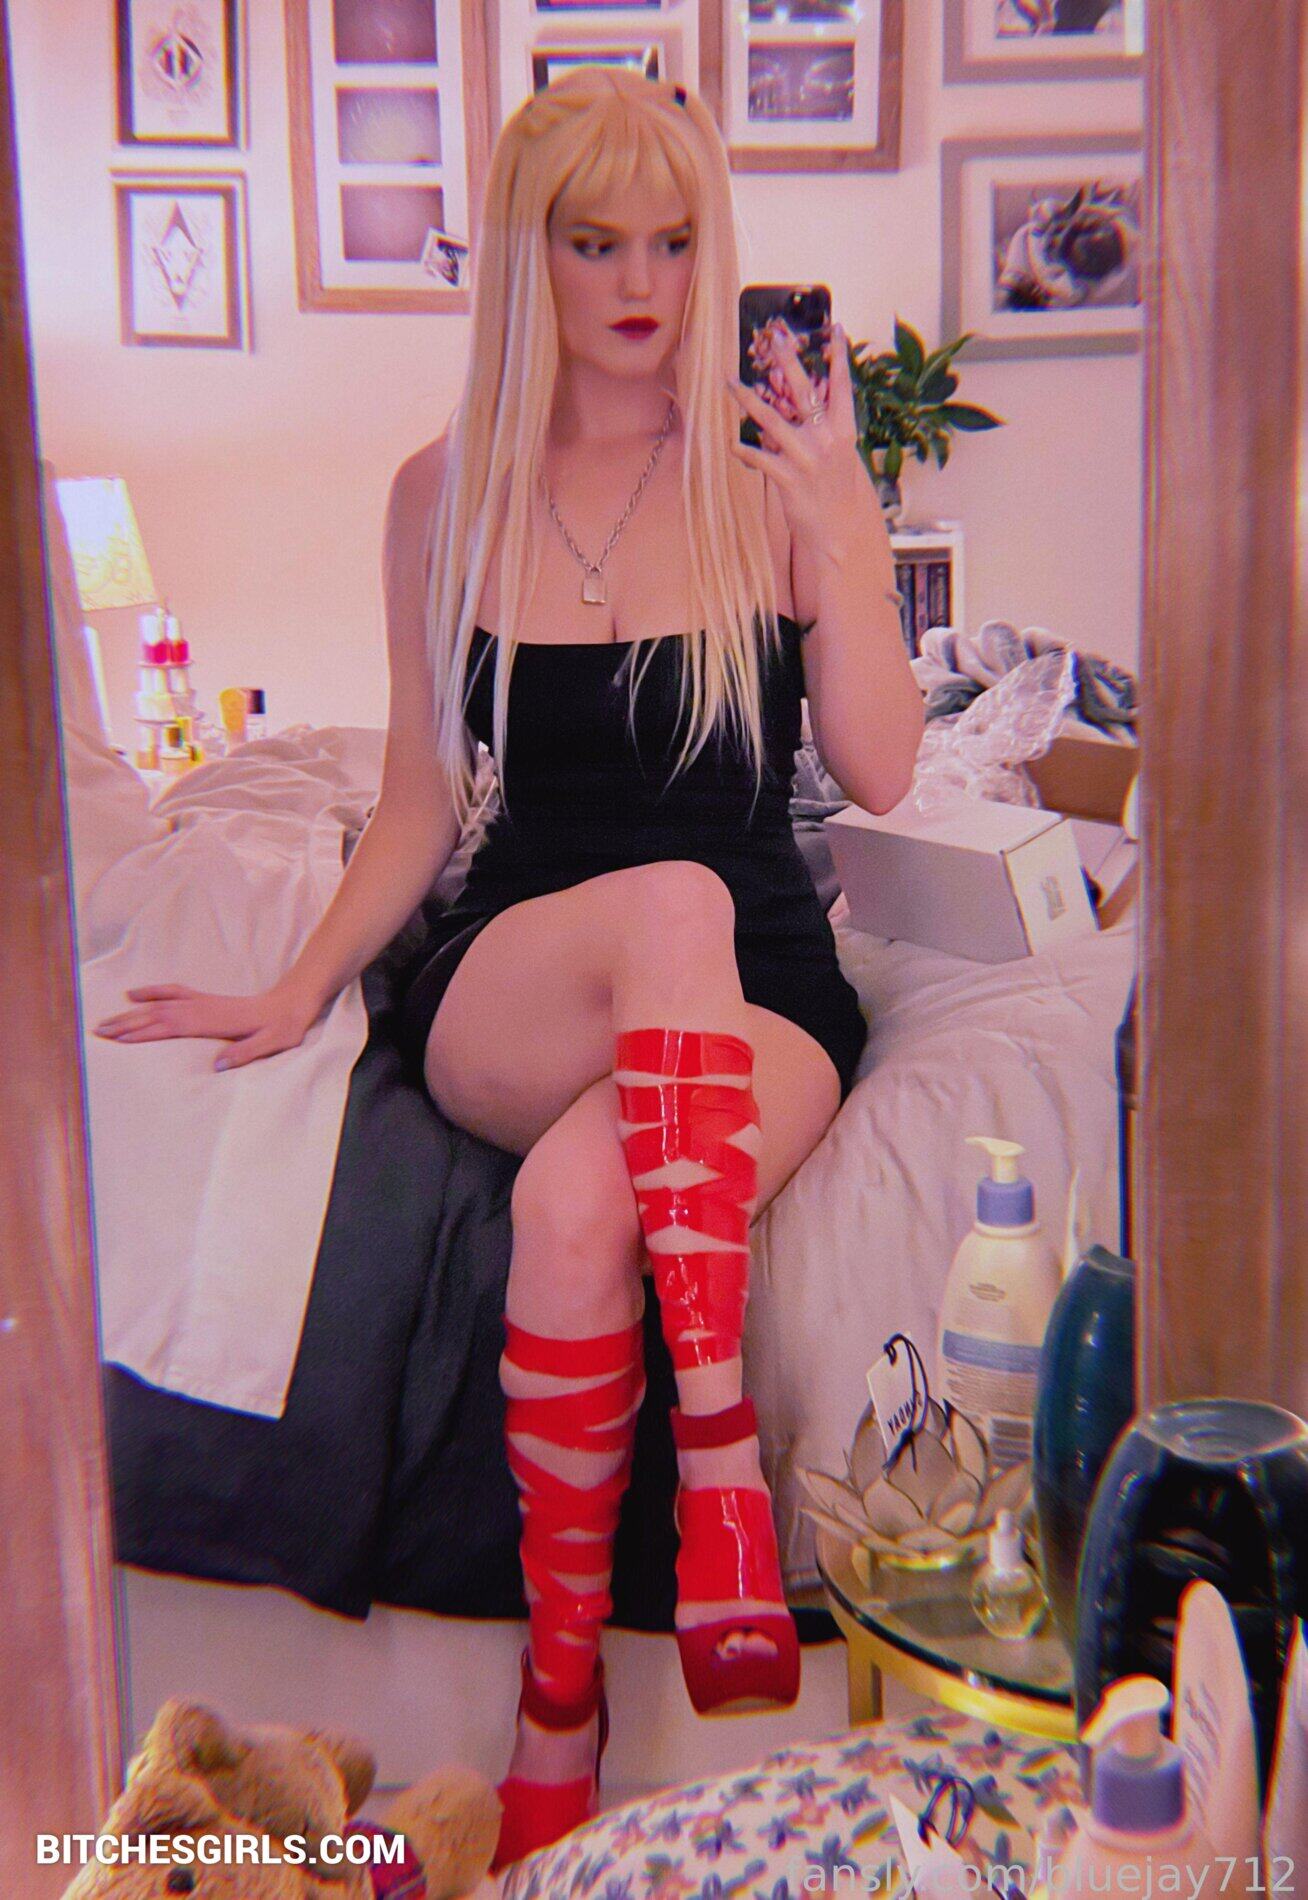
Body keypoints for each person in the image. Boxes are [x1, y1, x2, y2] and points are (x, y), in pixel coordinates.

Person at [93, 69, 924, 1868]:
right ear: (527, 260)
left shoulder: (767, 489)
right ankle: (721, 1469)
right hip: (522, 974)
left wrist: (850, 535)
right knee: (665, 902)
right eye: (596, 243)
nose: (642, 284)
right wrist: (299, 985)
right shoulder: (442, 494)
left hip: (762, 991)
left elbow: (880, 772)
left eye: (677, 243)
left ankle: (559, 1702)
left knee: (572, 1204)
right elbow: (416, 802)